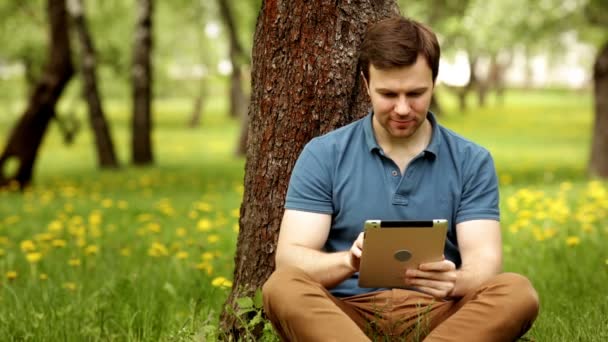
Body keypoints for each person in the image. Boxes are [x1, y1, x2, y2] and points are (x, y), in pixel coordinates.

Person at [262, 15, 539, 341]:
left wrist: (454, 282)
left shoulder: (471, 160)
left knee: (517, 291)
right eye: (389, 94)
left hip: (440, 313)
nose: (404, 109)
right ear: (366, 85)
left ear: (434, 82)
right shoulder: (324, 154)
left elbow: (485, 260)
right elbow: (291, 258)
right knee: (281, 286)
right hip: (345, 317)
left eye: (416, 93)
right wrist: (351, 261)